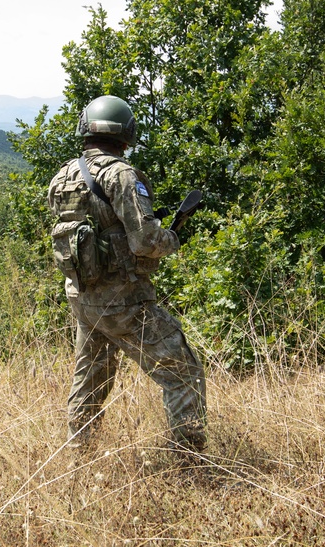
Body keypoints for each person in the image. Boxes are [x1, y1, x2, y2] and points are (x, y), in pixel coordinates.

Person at [47, 95, 207, 453]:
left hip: (82, 296)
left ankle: (79, 456)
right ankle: (192, 463)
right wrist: (173, 239)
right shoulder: (121, 174)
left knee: (89, 379)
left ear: (85, 130)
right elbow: (144, 242)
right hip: (122, 301)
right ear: (126, 136)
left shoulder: (63, 175)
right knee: (183, 372)